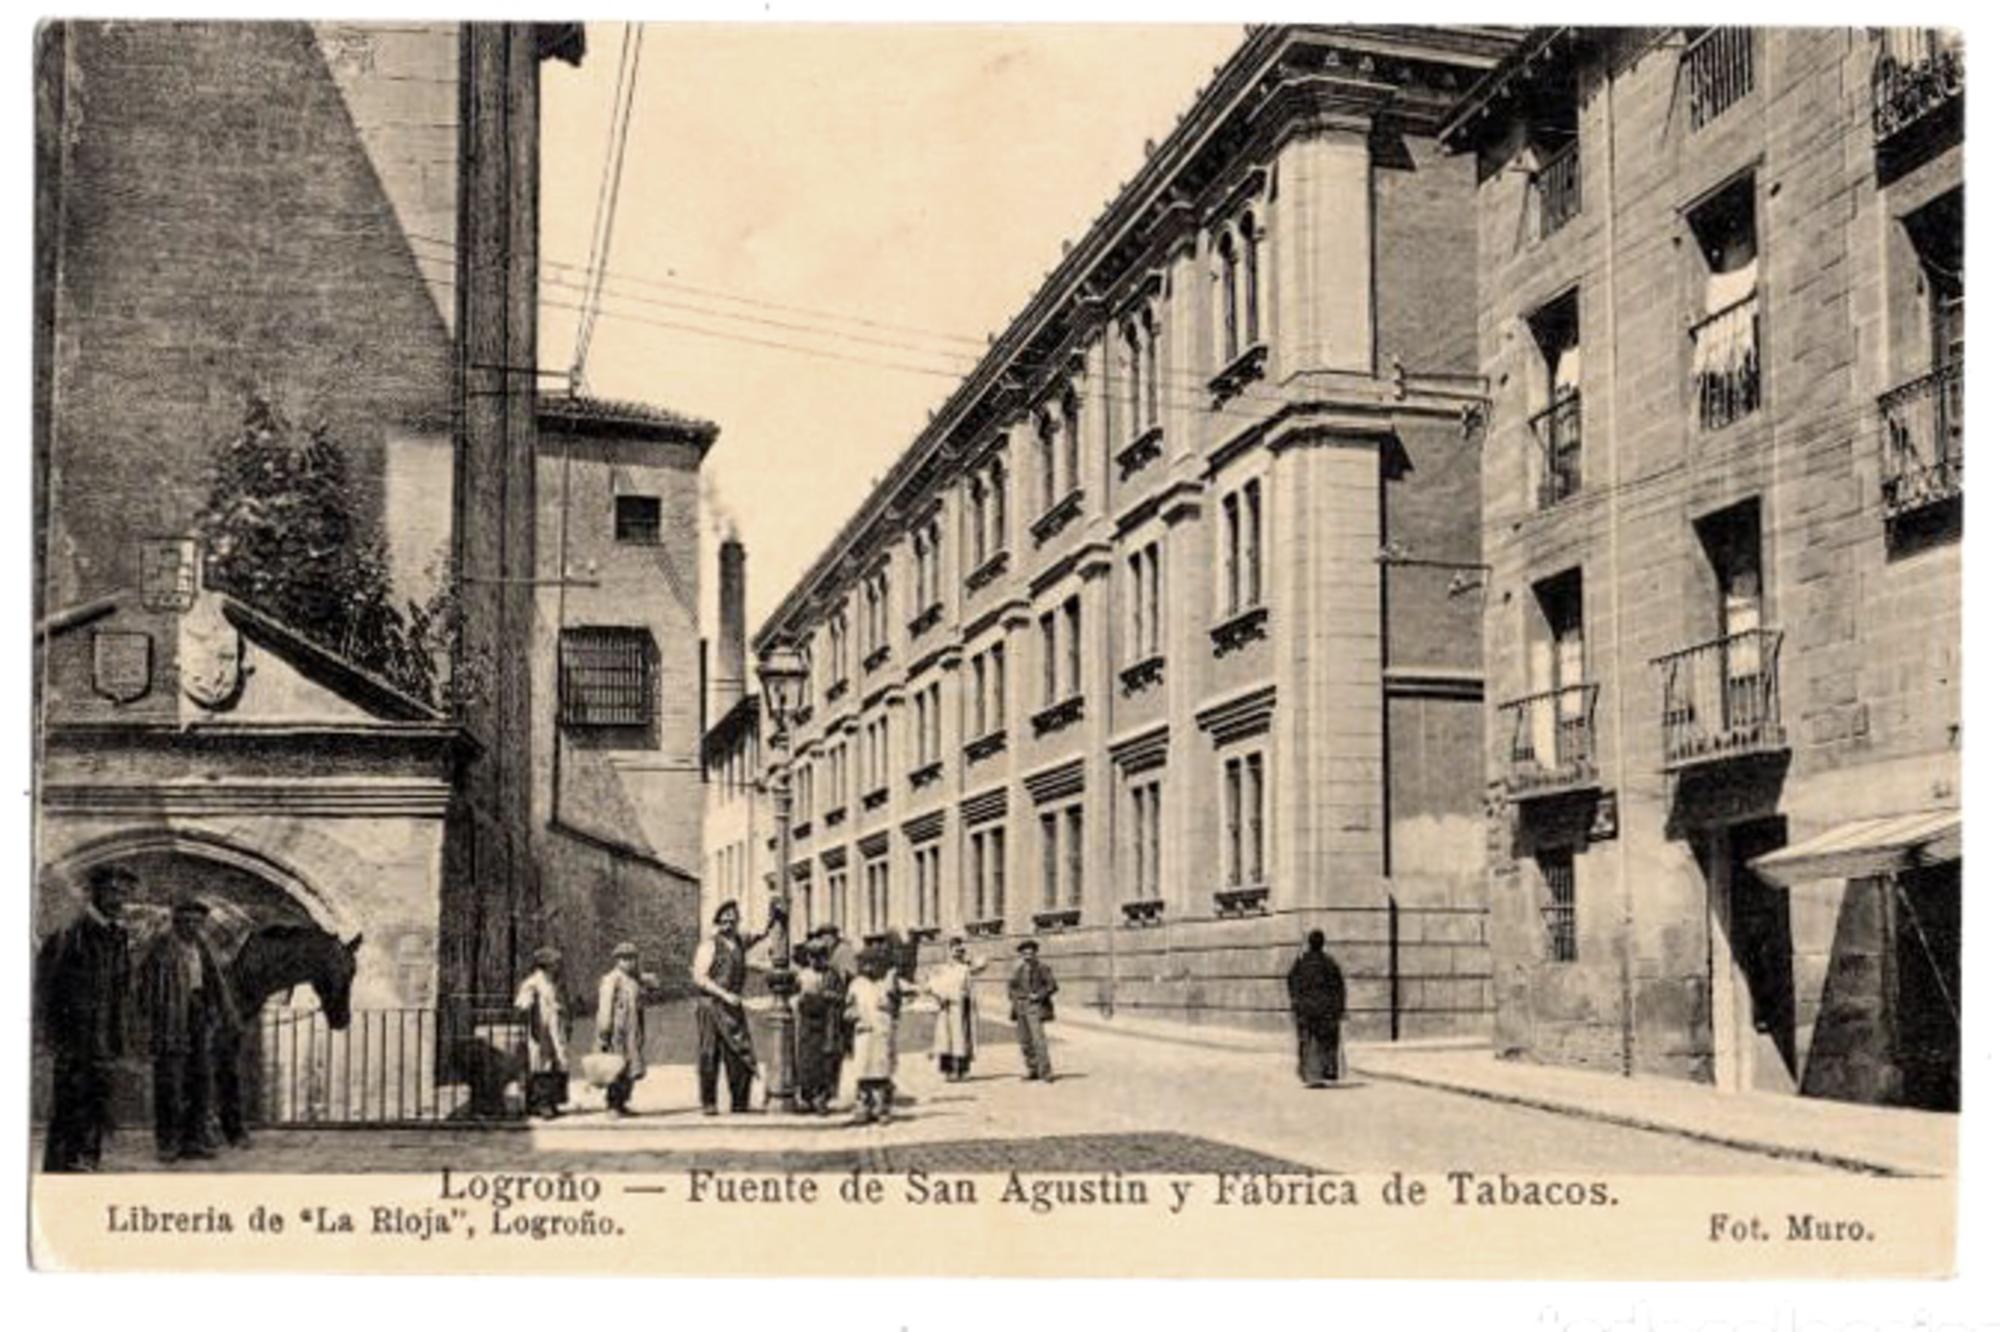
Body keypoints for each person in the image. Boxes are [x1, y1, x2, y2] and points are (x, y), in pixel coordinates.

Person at [36, 864, 136, 1173]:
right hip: (75, 1037)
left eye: (123, 892)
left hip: (104, 1036)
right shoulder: (70, 935)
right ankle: (63, 1166)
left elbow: (121, 992)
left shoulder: (118, 936)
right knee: (72, 1101)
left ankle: (87, 1160)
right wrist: (53, 1036)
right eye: (111, 891)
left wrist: (120, 1035)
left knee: (97, 1099)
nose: (118, 898)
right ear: (95, 893)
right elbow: (45, 988)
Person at [141, 893, 239, 1162]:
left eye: (197, 922)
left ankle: (195, 1140)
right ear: (176, 922)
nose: (192, 927)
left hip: (198, 1014)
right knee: (170, 1082)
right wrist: (152, 1022)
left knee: (201, 1078)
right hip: (170, 1017)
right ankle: (169, 1142)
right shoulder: (161, 948)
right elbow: (147, 990)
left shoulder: (202, 947)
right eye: (186, 921)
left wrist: (222, 1013)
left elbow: (215, 982)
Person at [689, 899, 781, 1115]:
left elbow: (760, 934)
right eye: (724, 922)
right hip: (711, 1005)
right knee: (709, 1054)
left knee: (740, 1053)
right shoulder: (709, 945)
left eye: (732, 921)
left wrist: (772, 917)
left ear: (737, 922)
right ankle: (709, 1103)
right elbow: (699, 977)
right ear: (718, 923)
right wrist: (723, 994)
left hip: (732, 1006)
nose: (728, 925)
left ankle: (740, 1102)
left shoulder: (739, 942)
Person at [844, 944, 917, 1124]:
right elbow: (848, 1008)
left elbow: (901, 1000)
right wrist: (852, 1014)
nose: (869, 968)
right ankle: (863, 1106)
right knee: (863, 1071)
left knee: (881, 1070)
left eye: (873, 964)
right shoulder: (856, 984)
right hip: (863, 1032)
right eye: (865, 964)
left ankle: (882, 1107)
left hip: (882, 1032)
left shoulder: (886, 983)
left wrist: (893, 1001)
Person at [512, 947, 569, 1119]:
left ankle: (552, 1101)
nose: (557, 967)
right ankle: (540, 1103)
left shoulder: (555, 982)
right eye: (554, 964)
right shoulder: (533, 983)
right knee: (541, 1065)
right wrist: (528, 1005)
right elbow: (522, 1005)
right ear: (545, 965)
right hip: (541, 1029)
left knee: (556, 1063)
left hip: (555, 1028)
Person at [1286, 929, 1347, 1088]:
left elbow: (1291, 982)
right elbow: (1339, 987)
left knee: (1308, 1041)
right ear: (1322, 944)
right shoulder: (1329, 963)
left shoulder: (1302, 962)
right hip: (1326, 1009)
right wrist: (1340, 1008)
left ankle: (1310, 1074)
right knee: (1327, 1041)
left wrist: (1296, 1002)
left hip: (1306, 1009)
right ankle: (1327, 1071)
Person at [594, 942, 646, 1116]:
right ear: (617, 960)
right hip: (617, 1030)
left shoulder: (633, 980)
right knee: (615, 1066)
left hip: (632, 1029)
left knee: (629, 1067)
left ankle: (623, 1101)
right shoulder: (611, 979)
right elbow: (605, 1005)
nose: (629, 963)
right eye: (624, 959)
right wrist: (604, 1028)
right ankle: (612, 1104)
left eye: (632, 959)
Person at [924, 937, 986, 1081]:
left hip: (960, 1008)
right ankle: (948, 1071)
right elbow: (930, 985)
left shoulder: (965, 968)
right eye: (954, 950)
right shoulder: (942, 969)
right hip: (946, 1008)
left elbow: (983, 963)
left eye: (960, 951)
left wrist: (969, 961)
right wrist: (938, 995)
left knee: (961, 1038)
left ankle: (962, 1070)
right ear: (948, 951)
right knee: (946, 1039)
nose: (957, 954)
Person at [791, 938, 840, 1115]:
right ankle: (806, 1096)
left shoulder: (832, 974)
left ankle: (822, 1097)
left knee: (825, 1059)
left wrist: (828, 995)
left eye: (819, 956)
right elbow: (794, 997)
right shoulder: (803, 975)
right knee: (806, 1059)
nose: (815, 960)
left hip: (827, 1020)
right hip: (806, 1021)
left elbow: (840, 996)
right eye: (812, 956)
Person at [1006, 939, 1059, 1083]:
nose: (1027, 956)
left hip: (1035, 1007)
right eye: (1024, 954)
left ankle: (1046, 1072)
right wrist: (1014, 997)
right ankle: (1032, 1069)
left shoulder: (1043, 968)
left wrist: (1038, 995)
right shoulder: (1018, 969)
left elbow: (1052, 986)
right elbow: (1011, 986)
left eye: (1030, 953)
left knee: (1038, 1040)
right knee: (1025, 1041)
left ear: (1035, 953)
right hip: (1020, 1007)